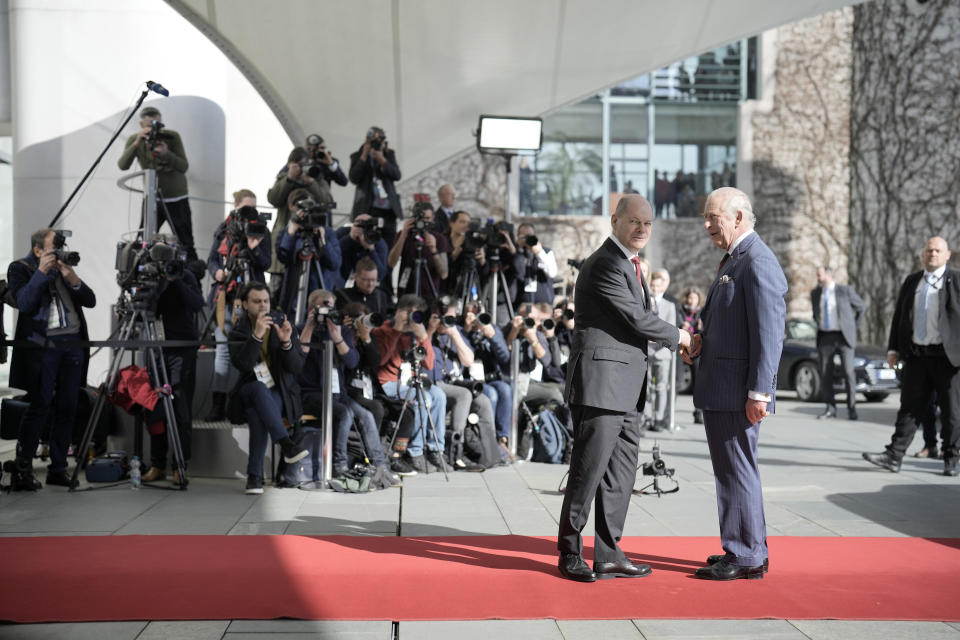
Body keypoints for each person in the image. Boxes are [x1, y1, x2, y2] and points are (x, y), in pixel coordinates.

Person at [557, 194, 689, 583]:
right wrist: (682, 335)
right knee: (588, 470)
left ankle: (609, 553)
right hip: (601, 385)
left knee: (620, 475)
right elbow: (636, 319)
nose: (642, 230)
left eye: (648, 224)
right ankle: (569, 552)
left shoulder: (631, 265)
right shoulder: (605, 264)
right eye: (635, 222)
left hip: (628, 387)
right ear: (615, 221)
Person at [688, 187, 787, 580]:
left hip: (736, 392)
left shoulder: (757, 260)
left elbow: (769, 332)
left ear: (739, 218)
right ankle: (748, 547)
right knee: (733, 471)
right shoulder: (736, 258)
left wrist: (760, 392)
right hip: (723, 387)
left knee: (737, 471)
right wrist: (700, 342)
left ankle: (744, 554)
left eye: (715, 217)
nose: (708, 224)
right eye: (707, 217)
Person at [6, 229, 97, 490]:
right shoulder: (20, 268)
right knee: (40, 405)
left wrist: (74, 279)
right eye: (52, 249)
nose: (58, 254)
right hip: (43, 349)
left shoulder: (64, 269)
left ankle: (58, 468)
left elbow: (90, 301)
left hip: (72, 345)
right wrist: (41, 273)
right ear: (37, 251)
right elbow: (24, 303)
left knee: (68, 406)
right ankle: (23, 467)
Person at [863, 236, 960, 477]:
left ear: (947, 255)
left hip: (948, 357)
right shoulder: (913, 281)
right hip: (917, 355)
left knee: (951, 412)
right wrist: (893, 349)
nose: (933, 254)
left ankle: (951, 458)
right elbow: (899, 317)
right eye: (929, 250)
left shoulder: (956, 280)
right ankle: (893, 456)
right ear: (923, 254)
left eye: (938, 251)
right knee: (909, 408)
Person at [298, 290, 397, 483]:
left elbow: (352, 361)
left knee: (366, 415)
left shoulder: (341, 331)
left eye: (331, 307)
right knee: (344, 413)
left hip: (338, 393)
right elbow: (299, 360)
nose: (328, 311)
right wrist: (310, 325)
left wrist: (337, 337)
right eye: (323, 306)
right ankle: (339, 466)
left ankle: (380, 466)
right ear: (311, 308)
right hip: (312, 393)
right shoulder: (300, 329)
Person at [228, 282, 309, 495]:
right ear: (245, 304)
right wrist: (256, 336)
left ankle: (254, 476)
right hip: (248, 389)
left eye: (266, 301)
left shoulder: (280, 322)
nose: (263, 306)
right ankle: (285, 443)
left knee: (259, 412)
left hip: (278, 391)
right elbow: (242, 365)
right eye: (256, 302)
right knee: (257, 390)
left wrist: (286, 344)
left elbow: (296, 366)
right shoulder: (238, 330)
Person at [204, 189, 271, 421]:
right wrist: (218, 272)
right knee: (223, 349)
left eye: (253, 209)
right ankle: (218, 404)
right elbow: (211, 260)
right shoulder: (224, 229)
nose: (249, 215)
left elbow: (266, 263)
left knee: (256, 348)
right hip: (228, 297)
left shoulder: (261, 230)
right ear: (234, 208)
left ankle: (250, 403)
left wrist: (254, 247)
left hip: (254, 299)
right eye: (245, 209)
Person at [142, 252, 204, 485]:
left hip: (182, 349)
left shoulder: (184, 274)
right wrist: (158, 282)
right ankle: (158, 464)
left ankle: (180, 465)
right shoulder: (148, 277)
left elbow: (197, 303)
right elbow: (147, 309)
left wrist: (175, 280)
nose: (163, 264)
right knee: (154, 406)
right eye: (159, 260)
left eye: (166, 258)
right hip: (156, 348)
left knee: (180, 406)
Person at [372, 295, 447, 473]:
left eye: (417, 314)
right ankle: (415, 452)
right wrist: (396, 331)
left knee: (439, 395)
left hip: (410, 381)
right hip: (388, 382)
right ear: (399, 312)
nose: (413, 318)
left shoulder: (415, 333)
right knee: (423, 397)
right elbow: (381, 360)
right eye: (410, 313)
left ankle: (436, 450)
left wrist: (424, 337)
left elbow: (428, 364)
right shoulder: (382, 330)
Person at [117, 107, 197, 260]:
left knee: (186, 242)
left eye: (158, 125)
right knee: (143, 242)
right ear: (141, 125)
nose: (154, 130)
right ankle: (143, 272)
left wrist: (167, 154)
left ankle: (191, 276)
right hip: (152, 199)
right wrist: (137, 143)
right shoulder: (136, 139)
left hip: (177, 199)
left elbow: (183, 166)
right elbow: (122, 165)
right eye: (149, 126)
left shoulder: (172, 137)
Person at [267, 147, 334, 300]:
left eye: (308, 164)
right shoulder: (284, 178)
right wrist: (290, 178)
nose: (306, 167)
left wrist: (311, 182)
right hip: (286, 238)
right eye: (301, 164)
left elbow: (327, 202)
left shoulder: (317, 179)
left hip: (311, 242)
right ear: (292, 164)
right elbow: (274, 199)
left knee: (311, 291)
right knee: (276, 293)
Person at [275, 188, 343, 318]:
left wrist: (322, 241)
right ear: (292, 208)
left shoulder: (327, 233)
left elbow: (335, 263)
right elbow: (283, 257)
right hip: (294, 295)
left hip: (321, 292)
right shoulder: (286, 232)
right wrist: (291, 233)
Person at [811, 265, 865, 421]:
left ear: (828, 275)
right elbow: (816, 313)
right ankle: (830, 409)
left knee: (848, 372)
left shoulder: (845, 291)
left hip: (844, 337)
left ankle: (852, 408)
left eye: (819, 274)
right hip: (825, 337)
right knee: (825, 373)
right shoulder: (816, 293)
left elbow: (861, 307)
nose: (818, 277)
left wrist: (853, 327)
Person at [349, 126, 402, 248]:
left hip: (389, 212)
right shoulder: (357, 156)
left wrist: (382, 159)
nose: (377, 144)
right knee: (368, 246)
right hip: (368, 210)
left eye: (380, 141)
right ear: (367, 141)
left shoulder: (388, 154)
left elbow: (397, 175)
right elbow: (353, 178)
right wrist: (364, 155)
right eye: (374, 141)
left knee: (389, 249)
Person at [388, 202, 450, 303]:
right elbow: (391, 262)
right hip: (406, 293)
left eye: (427, 219)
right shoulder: (403, 235)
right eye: (419, 218)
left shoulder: (439, 238)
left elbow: (444, 274)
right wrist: (403, 235)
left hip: (429, 294)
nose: (422, 223)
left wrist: (434, 250)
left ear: (433, 218)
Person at [644, 270, 677, 432]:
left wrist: (658, 343)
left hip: (662, 353)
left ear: (663, 287)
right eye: (653, 285)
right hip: (647, 351)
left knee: (661, 387)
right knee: (646, 386)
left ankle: (658, 419)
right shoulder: (645, 302)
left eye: (658, 285)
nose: (655, 288)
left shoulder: (669, 306)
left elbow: (670, 327)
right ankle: (646, 417)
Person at [336, 213, 389, 286]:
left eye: (369, 227)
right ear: (353, 225)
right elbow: (332, 256)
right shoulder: (343, 233)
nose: (364, 231)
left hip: (364, 284)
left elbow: (380, 275)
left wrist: (371, 250)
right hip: (340, 278)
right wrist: (350, 238)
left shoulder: (377, 241)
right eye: (361, 227)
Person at [514, 223, 558, 308]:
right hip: (520, 304)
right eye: (523, 236)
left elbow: (552, 273)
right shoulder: (515, 252)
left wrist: (539, 253)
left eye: (529, 236)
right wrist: (518, 250)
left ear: (535, 236)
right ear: (518, 237)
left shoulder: (546, 252)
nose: (526, 239)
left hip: (543, 306)